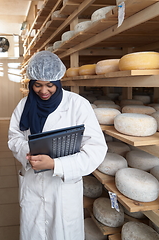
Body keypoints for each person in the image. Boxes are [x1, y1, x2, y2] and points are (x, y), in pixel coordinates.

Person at [8, 51, 108, 240]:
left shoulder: (78, 105)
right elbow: (14, 137)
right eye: (37, 85)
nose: (43, 91)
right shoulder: (24, 106)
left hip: (63, 189)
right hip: (33, 184)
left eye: (49, 85)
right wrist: (27, 153)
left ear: (58, 81)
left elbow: (96, 150)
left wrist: (56, 165)